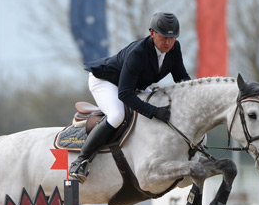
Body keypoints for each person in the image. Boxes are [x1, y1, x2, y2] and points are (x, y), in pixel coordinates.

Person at [69, 12, 192, 183]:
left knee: (159, 100)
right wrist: (153, 111)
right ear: (152, 33)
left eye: (172, 38)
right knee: (117, 115)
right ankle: (81, 161)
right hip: (106, 82)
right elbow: (124, 94)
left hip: (132, 84)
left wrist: (194, 92)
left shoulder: (174, 48)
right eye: (164, 37)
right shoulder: (138, 53)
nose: (168, 43)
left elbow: (181, 77)